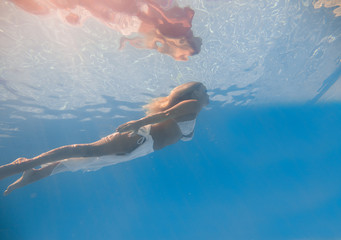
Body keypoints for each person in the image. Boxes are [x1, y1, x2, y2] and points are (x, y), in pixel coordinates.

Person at [0, 82, 209, 195]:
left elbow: (182, 132)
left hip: (142, 147)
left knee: (84, 160)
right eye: (203, 89)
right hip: (141, 139)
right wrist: (137, 124)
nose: (207, 93)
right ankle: (29, 164)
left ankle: (32, 174)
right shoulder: (194, 103)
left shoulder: (193, 113)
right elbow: (165, 115)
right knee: (88, 151)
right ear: (195, 92)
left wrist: (182, 133)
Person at [10, 0, 202, 61]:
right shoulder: (160, 24)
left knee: (49, 12)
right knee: (45, 11)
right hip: (98, 5)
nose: (181, 59)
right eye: (185, 54)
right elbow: (108, 15)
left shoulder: (165, 23)